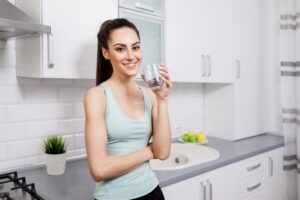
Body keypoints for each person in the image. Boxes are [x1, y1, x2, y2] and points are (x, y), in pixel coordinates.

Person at [84, 18, 172, 200]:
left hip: (152, 193)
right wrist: (148, 152)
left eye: (136, 47)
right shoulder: (97, 96)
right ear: (106, 53)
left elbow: (162, 152)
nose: (131, 56)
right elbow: (99, 170)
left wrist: (162, 99)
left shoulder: (151, 95)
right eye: (120, 49)